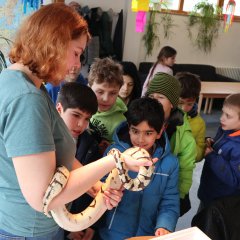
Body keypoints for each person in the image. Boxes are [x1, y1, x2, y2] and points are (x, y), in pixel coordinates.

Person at [0, 4, 154, 239]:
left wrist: (96, 188)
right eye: (76, 52)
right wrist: (117, 160)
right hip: (28, 231)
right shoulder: (27, 99)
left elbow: (48, 154)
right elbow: (44, 195)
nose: (77, 64)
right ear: (54, 42)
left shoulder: (18, 81)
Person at [95, 97, 180, 239]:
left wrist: (164, 226)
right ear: (128, 128)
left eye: (148, 133)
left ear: (160, 131)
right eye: (135, 131)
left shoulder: (170, 164)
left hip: (147, 234)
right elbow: (99, 190)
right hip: (112, 234)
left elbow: (169, 202)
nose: (140, 140)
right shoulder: (114, 154)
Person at [145, 72, 197, 216]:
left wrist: (178, 197)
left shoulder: (183, 135)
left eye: (161, 97)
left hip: (164, 188)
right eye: (151, 97)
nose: (155, 101)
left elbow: (186, 168)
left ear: (172, 103)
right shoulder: (140, 119)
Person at [56, 82, 100, 240]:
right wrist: (68, 229)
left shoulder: (91, 145)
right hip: (49, 223)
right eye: (76, 115)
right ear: (59, 109)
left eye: (87, 118)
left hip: (78, 222)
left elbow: (91, 185)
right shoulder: (46, 143)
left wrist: (87, 223)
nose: (81, 124)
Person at [197, 93, 240, 209]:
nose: (221, 118)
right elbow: (221, 145)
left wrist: (212, 156)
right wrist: (212, 142)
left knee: (206, 226)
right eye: (222, 112)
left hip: (222, 204)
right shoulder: (226, 129)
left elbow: (235, 179)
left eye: (228, 116)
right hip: (210, 193)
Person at [88, 57, 127, 155]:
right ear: (89, 87)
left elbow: (122, 150)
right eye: (100, 92)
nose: (105, 98)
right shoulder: (79, 108)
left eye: (113, 93)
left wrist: (110, 147)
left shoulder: (122, 123)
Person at [175, 72, 206, 162]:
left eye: (190, 104)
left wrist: (188, 146)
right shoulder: (165, 117)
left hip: (184, 167)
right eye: (180, 103)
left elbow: (200, 153)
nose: (184, 108)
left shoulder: (199, 123)